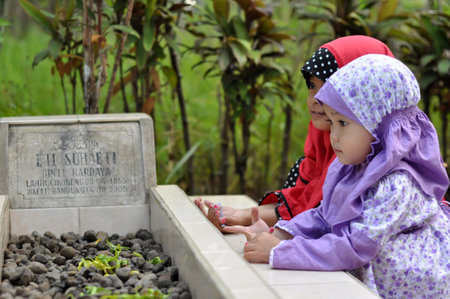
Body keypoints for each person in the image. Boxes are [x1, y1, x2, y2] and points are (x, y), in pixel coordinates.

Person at [226, 54, 450, 298]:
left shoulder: (397, 184)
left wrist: (281, 251)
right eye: (331, 122)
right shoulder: (351, 167)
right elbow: (324, 216)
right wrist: (280, 233)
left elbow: (357, 246)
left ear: (381, 126)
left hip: (410, 284)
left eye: (343, 123)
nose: (334, 136)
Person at [194, 35, 394, 230]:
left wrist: (246, 217)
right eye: (312, 86)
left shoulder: (368, 161)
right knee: (300, 168)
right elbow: (304, 196)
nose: (315, 99)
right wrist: (244, 215)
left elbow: (322, 212)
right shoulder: (324, 136)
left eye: (328, 88)